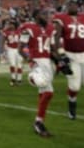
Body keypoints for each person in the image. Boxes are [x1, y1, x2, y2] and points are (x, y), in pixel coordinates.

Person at [53, 0, 84, 122]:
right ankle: (71, 108)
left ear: (78, 6)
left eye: (75, 5)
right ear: (67, 7)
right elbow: (57, 37)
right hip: (71, 55)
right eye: (70, 5)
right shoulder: (61, 18)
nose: (73, 7)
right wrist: (61, 53)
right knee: (74, 86)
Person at [18, 9, 55, 138]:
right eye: (43, 14)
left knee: (43, 93)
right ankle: (38, 122)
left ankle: (40, 122)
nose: (46, 16)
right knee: (49, 92)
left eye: (47, 14)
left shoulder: (50, 28)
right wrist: (29, 58)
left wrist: (60, 61)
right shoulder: (28, 28)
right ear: (36, 16)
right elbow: (21, 48)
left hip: (47, 61)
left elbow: (52, 49)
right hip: (38, 62)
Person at [1, 20, 23, 86]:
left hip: (18, 49)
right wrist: (3, 49)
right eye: (10, 24)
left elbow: (21, 41)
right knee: (12, 64)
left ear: (15, 25)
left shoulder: (19, 31)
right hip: (10, 49)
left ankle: (19, 79)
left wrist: (20, 49)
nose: (11, 25)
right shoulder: (6, 32)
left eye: (12, 24)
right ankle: (13, 78)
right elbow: (3, 40)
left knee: (19, 65)